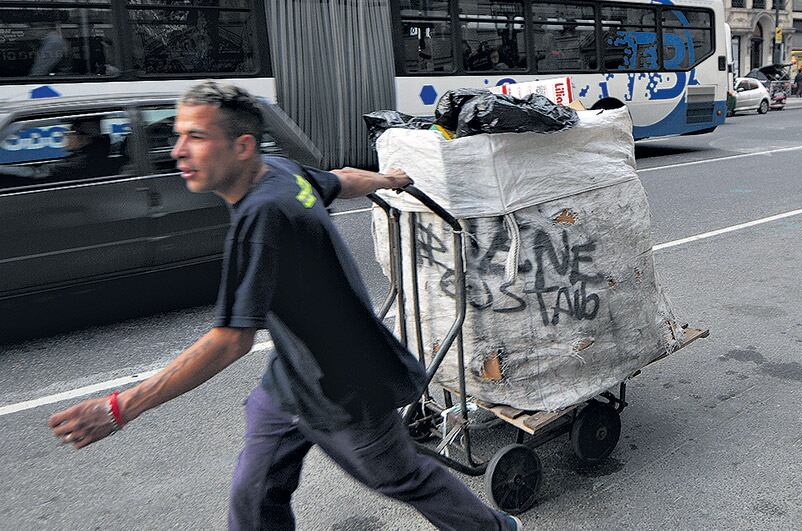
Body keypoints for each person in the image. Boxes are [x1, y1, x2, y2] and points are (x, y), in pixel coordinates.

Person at [47, 81, 521, 531]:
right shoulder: (279, 172)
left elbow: (229, 340)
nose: (178, 151)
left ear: (243, 147)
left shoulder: (262, 217)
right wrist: (390, 178)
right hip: (293, 377)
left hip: (347, 386)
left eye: (196, 137)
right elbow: (339, 180)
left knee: (400, 476)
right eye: (178, 136)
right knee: (255, 494)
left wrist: (119, 407)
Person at [0, 118, 116, 185]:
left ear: (85, 138)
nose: (65, 135)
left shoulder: (80, 162)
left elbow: (37, 173)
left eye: (71, 132)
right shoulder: (87, 156)